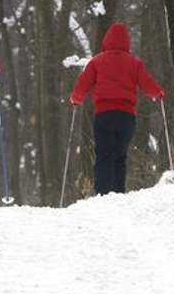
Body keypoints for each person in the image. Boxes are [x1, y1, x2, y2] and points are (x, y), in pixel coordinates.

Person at [69, 22, 165, 196]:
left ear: (107, 41)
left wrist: (75, 99)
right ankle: (119, 194)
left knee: (104, 155)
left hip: (104, 115)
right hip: (126, 117)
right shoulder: (134, 63)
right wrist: (158, 94)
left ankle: (104, 195)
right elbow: (147, 84)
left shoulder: (97, 61)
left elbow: (83, 85)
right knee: (120, 156)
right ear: (127, 42)